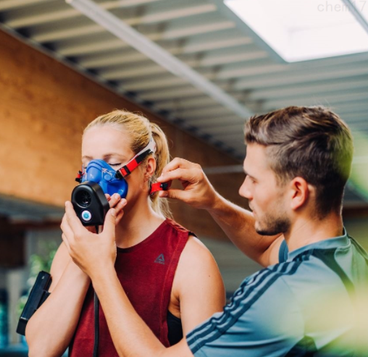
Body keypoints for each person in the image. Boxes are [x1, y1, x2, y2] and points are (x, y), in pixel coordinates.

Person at [61, 106, 368, 357]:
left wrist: (101, 269)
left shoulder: (281, 295)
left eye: (254, 180)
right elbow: (268, 249)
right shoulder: (347, 258)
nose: (244, 190)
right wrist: (215, 203)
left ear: (296, 192)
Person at [25, 110, 226, 357]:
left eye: (112, 162)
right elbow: (41, 350)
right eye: (88, 164)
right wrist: (84, 262)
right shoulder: (74, 246)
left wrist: (100, 268)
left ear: (147, 168)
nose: (95, 176)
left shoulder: (190, 259)